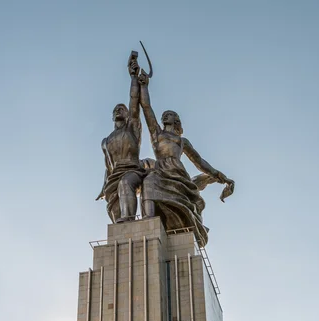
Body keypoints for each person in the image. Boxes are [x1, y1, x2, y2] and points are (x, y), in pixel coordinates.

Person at [137, 70, 234, 245]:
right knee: (148, 180)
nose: (165, 115)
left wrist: (220, 176)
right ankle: (148, 221)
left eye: (170, 114)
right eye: (164, 114)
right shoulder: (156, 134)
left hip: (177, 176)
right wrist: (144, 86)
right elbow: (146, 108)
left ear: (177, 121)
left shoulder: (182, 141)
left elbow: (200, 162)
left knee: (160, 184)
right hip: (160, 171)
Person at [96, 53, 146, 223]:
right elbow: (108, 166)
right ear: (112, 116)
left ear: (127, 115)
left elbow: (133, 100)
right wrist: (103, 187)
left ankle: (129, 218)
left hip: (133, 172)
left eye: (122, 109)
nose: (119, 110)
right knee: (115, 211)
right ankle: (124, 232)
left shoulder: (131, 128)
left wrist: (133, 77)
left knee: (125, 184)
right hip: (114, 177)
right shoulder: (106, 141)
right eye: (116, 109)